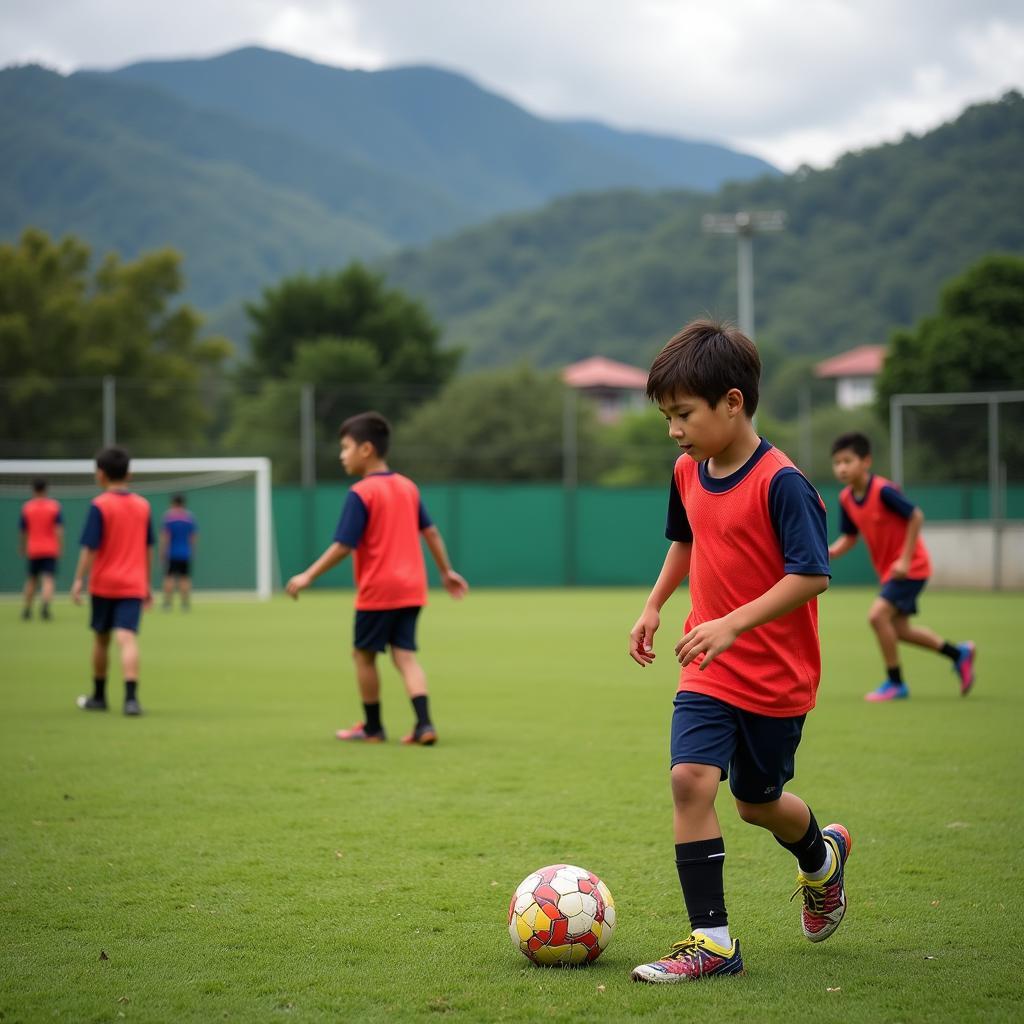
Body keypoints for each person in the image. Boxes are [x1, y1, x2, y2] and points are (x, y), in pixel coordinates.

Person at [627, 319, 849, 984]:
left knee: (757, 802)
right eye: (667, 415)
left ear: (732, 402)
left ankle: (822, 857)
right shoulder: (687, 470)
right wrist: (654, 604)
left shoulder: (783, 483)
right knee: (689, 780)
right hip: (708, 669)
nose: (674, 429)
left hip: (776, 678)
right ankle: (714, 943)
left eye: (683, 414)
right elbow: (687, 540)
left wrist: (732, 624)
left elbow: (811, 574)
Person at [285, 411, 468, 745]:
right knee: (405, 656)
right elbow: (431, 532)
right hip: (412, 588)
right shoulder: (408, 487)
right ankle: (424, 725)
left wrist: (308, 575)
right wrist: (446, 571)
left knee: (363, 655)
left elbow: (343, 546)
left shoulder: (362, 493)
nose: (342, 455)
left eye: (345, 447)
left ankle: (372, 728)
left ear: (366, 449)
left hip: (379, 590)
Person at [828, 431, 975, 701]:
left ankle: (895, 683)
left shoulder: (883, 490)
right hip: (890, 573)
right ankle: (959, 654)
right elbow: (850, 537)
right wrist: (827, 553)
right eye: (837, 463)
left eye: (847, 461)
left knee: (876, 617)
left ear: (866, 461)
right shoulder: (846, 499)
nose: (842, 468)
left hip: (912, 567)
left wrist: (905, 558)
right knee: (900, 630)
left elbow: (916, 516)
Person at [71, 447, 153, 717]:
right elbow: (147, 548)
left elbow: (90, 547)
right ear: (129, 473)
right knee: (127, 638)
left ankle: (99, 696)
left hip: (104, 582)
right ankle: (131, 700)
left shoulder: (100, 505)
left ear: (101, 474)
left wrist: (78, 580)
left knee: (101, 639)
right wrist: (147, 584)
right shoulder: (143, 505)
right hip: (133, 583)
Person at [20, 478, 63, 621]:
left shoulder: (27, 507)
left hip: (33, 549)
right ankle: (45, 607)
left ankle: (27, 609)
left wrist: (23, 547)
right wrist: (59, 546)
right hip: (50, 549)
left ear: (33, 489)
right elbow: (59, 530)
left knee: (31, 579)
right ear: (46, 489)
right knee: (48, 579)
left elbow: (24, 531)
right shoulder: (54, 507)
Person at [160, 494, 198, 610]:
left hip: (172, 553)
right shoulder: (189, 518)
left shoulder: (168, 518)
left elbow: (165, 537)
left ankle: (167, 604)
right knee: (185, 578)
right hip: (185, 553)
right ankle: (185, 604)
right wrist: (192, 550)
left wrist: (162, 552)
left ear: (173, 503)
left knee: (169, 577)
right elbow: (193, 537)